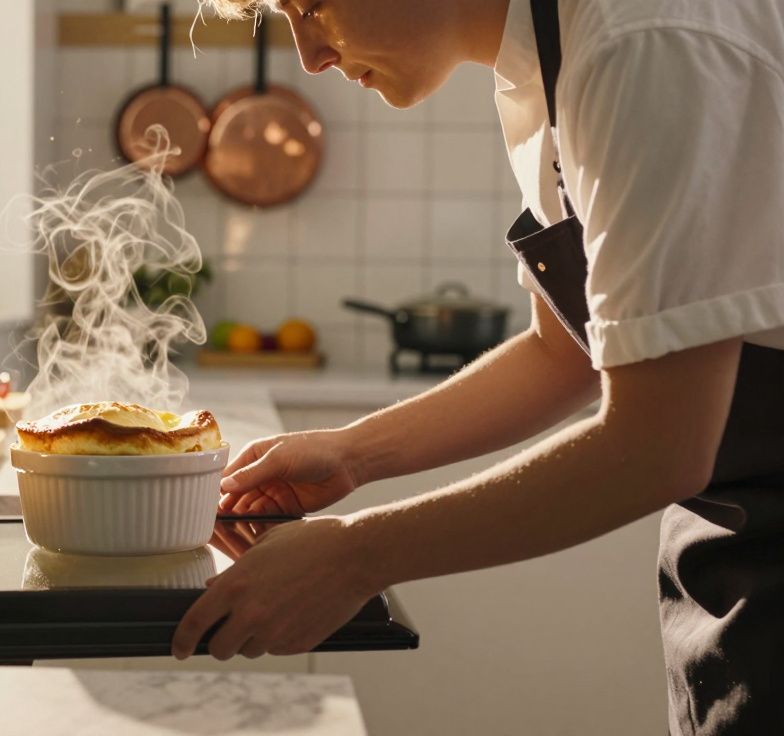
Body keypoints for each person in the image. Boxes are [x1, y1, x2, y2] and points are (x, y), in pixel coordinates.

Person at [170, 1, 784, 733]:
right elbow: (565, 353)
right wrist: (352, 453)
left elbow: (659, 445)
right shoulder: (545, 62)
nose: (309, 56)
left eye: (311, 6)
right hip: (729, 560)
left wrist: (352, 557)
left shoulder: (644, 44)